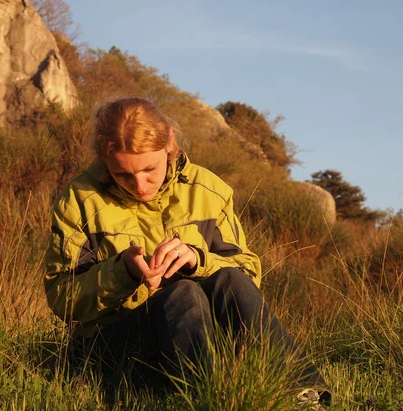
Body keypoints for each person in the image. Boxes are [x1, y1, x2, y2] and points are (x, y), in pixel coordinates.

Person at [43, 97, 331, 407]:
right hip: (112, 349)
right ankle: (211, 402)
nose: (139, 185)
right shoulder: (78, 199)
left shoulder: (209, 190)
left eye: (149, 169)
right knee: (182, 293)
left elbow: (247, 278)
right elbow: (62, 297)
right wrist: (122, 272)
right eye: (122, 175)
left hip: (199, 341)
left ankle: (305, 397)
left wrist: (198, 260)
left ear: (169, 141)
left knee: (228, 280)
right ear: (105, 160)